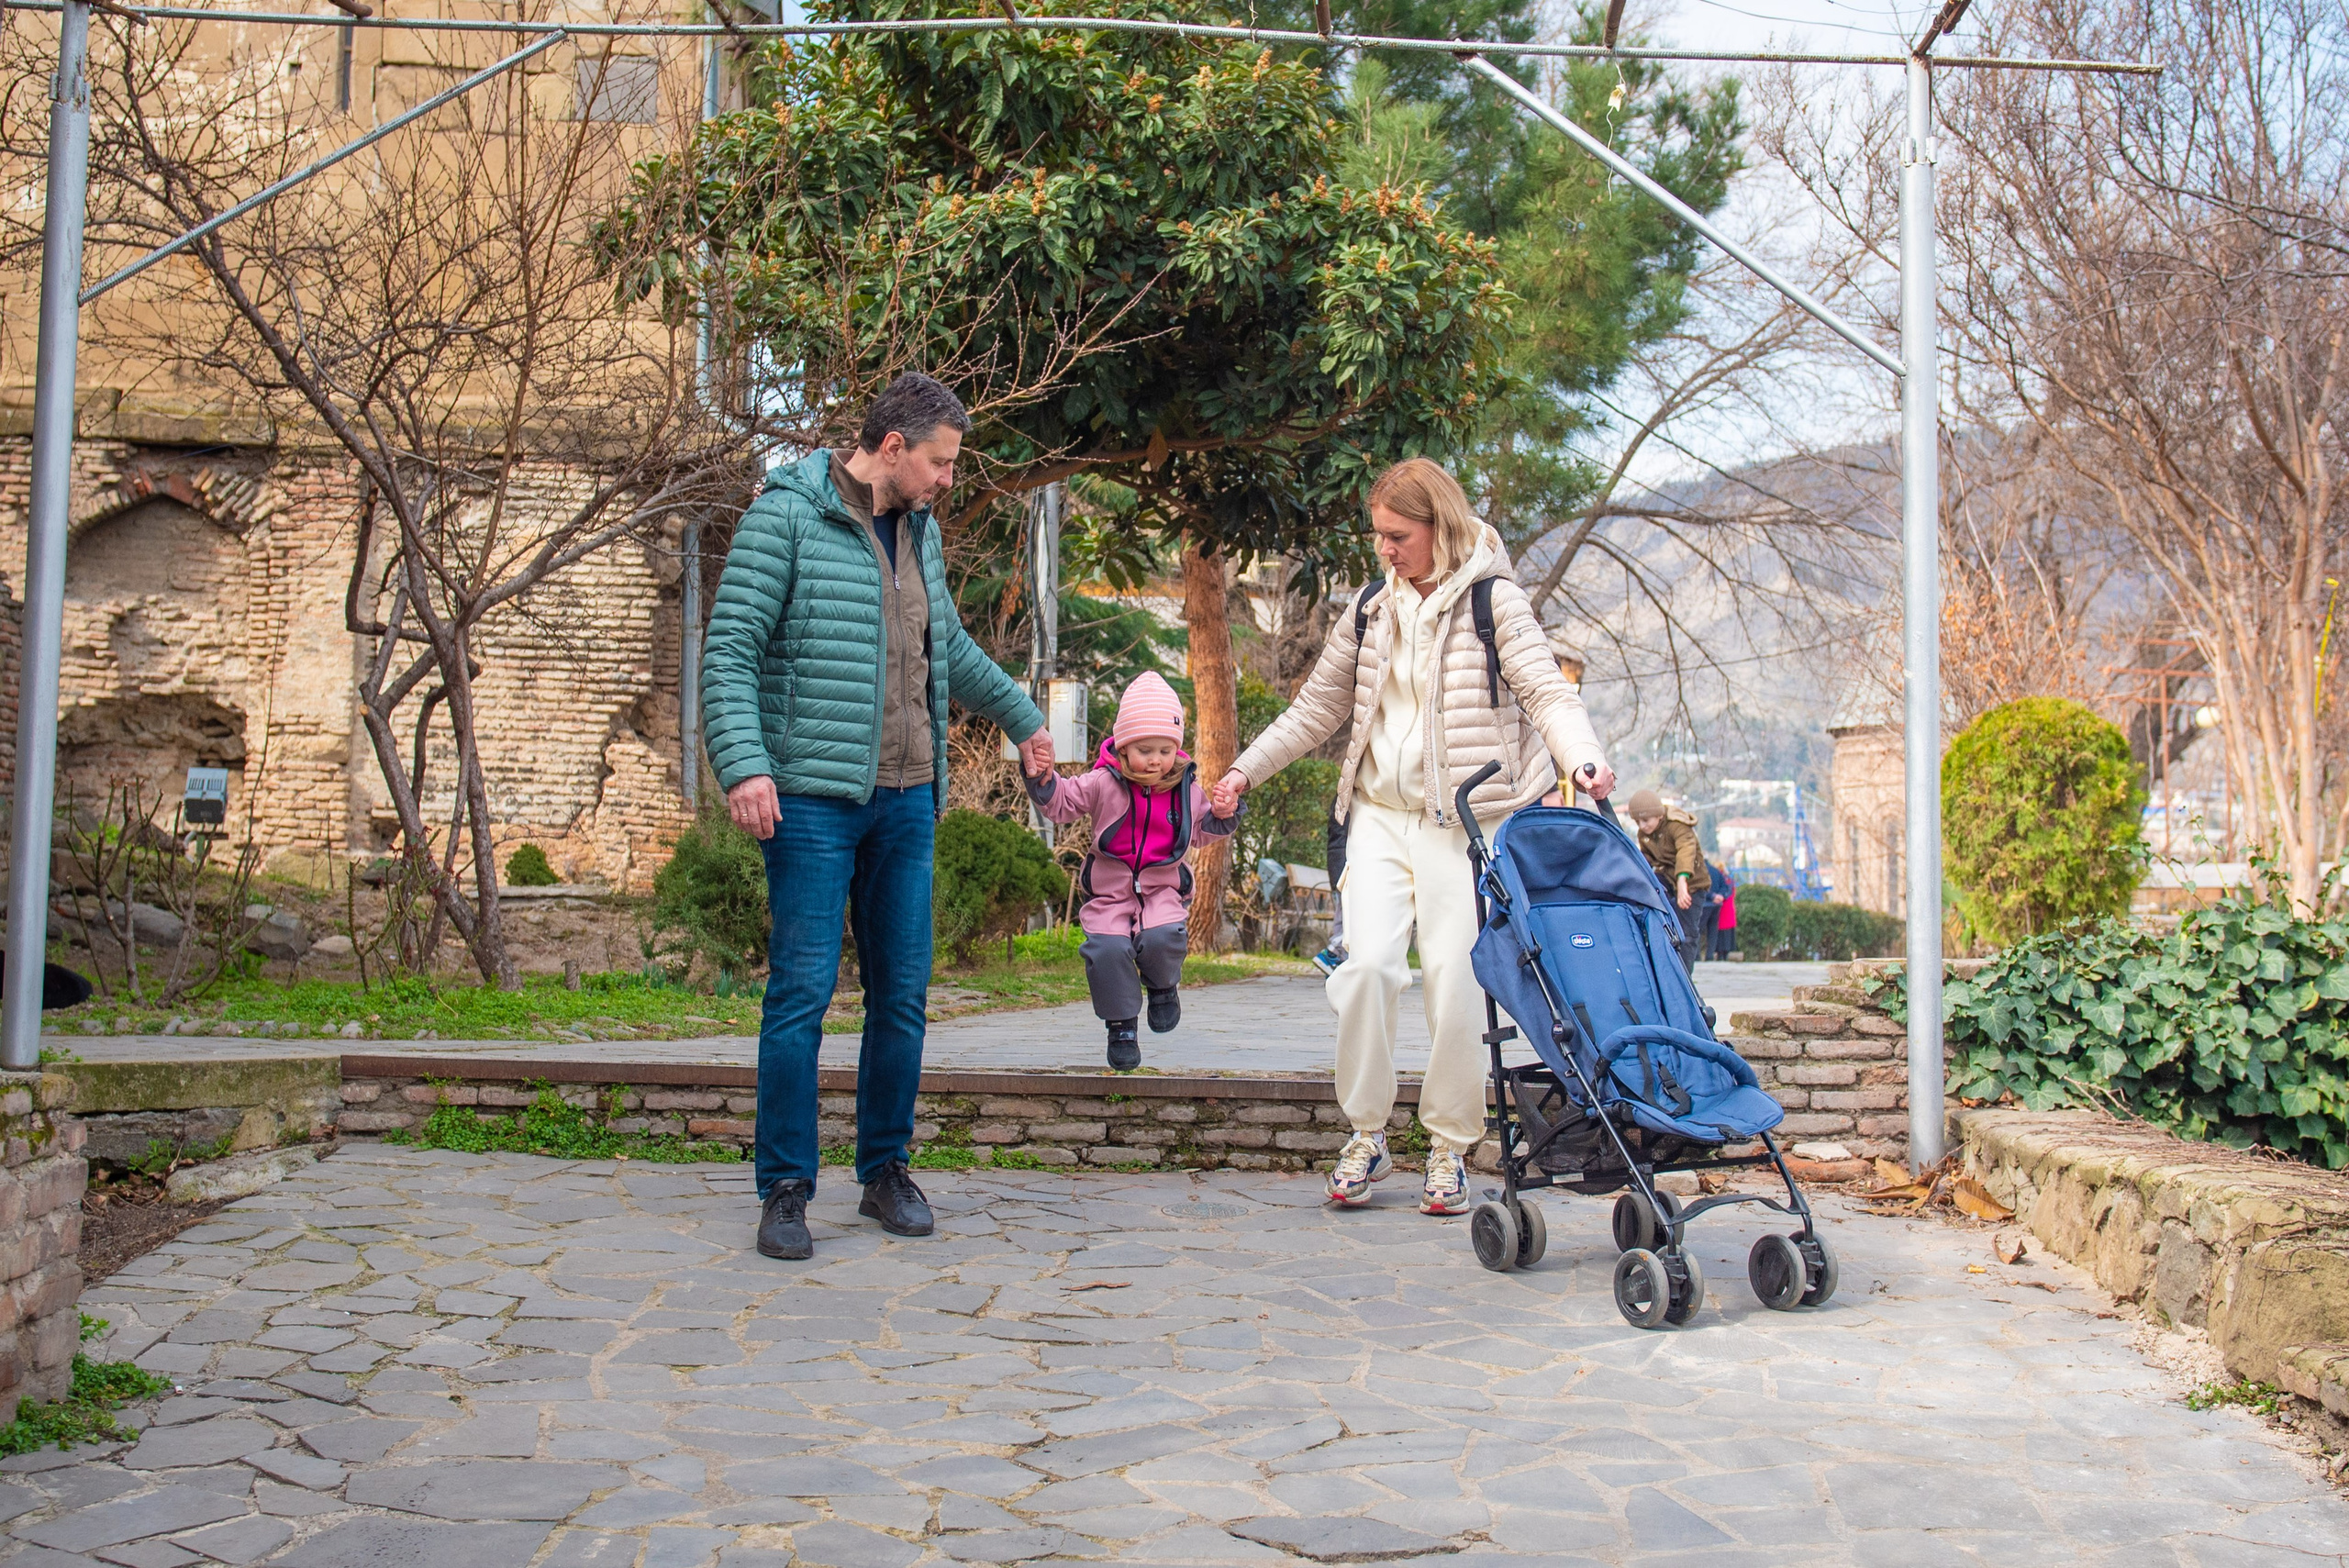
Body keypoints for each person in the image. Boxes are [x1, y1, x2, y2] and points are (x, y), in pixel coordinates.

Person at [701, 373, 1054, 1263]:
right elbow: (730, 649)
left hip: (907, 801)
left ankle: (885, 1168)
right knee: (802, 996)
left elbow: (949, 648)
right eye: (938, 462)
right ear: (892, 446)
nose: (946, 480)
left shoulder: (921, 533)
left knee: (901, 998)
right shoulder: (784, 516)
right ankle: (785, 1184)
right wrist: (744, 766)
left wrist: (1023, 716)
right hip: (814, 801)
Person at [1209, 458, 1616, 1217]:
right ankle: (1366, 1134)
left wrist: (1583, 758)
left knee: (1456, 984)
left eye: (1399, 535)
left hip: (1469, 823)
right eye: (1379, 537)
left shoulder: (1496, 602)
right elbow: (1314, 710)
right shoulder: (1369, 608)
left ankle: (1451, 1147)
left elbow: (1546, 692)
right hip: (1378, 818)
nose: (1385, 550)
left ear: (1441, 525)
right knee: (1365, 968)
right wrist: (1243, 772)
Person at [1024, 671, 1240, 1071]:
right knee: (1107, 950)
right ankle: (1121, 1024)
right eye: (1144, 749)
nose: (1155, 760)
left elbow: (1202, 830)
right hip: (1111, 893)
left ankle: (1162, 987)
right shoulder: (1103, 782)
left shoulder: (1185, 790)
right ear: (1123, 748)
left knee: (1162, 937)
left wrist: (1225, 812)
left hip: (1162, 892)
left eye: (1164, 750)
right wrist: (1043, 777)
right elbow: (1062, 802)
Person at [1627, 788, 1703, 968]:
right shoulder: (1644, 834)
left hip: (1691, 881)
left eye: (1645, 820)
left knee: (1687, 932)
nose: (1642, 826)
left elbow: (1686, 850)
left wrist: (1683, 880)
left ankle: (1685, 976)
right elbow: (1646, 860)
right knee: (1654, 894)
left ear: (1659, 816)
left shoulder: (1677, 825)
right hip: (1667, 877)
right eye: (1638, 822)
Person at [1713, 870, 1739, 962]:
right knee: (1727, 934)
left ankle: (1720, 954)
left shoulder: (1720, 879)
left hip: (1721, 908)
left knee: (1720, 932)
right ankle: (1725, 954)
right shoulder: (1730, 881)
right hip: (1729, 909)